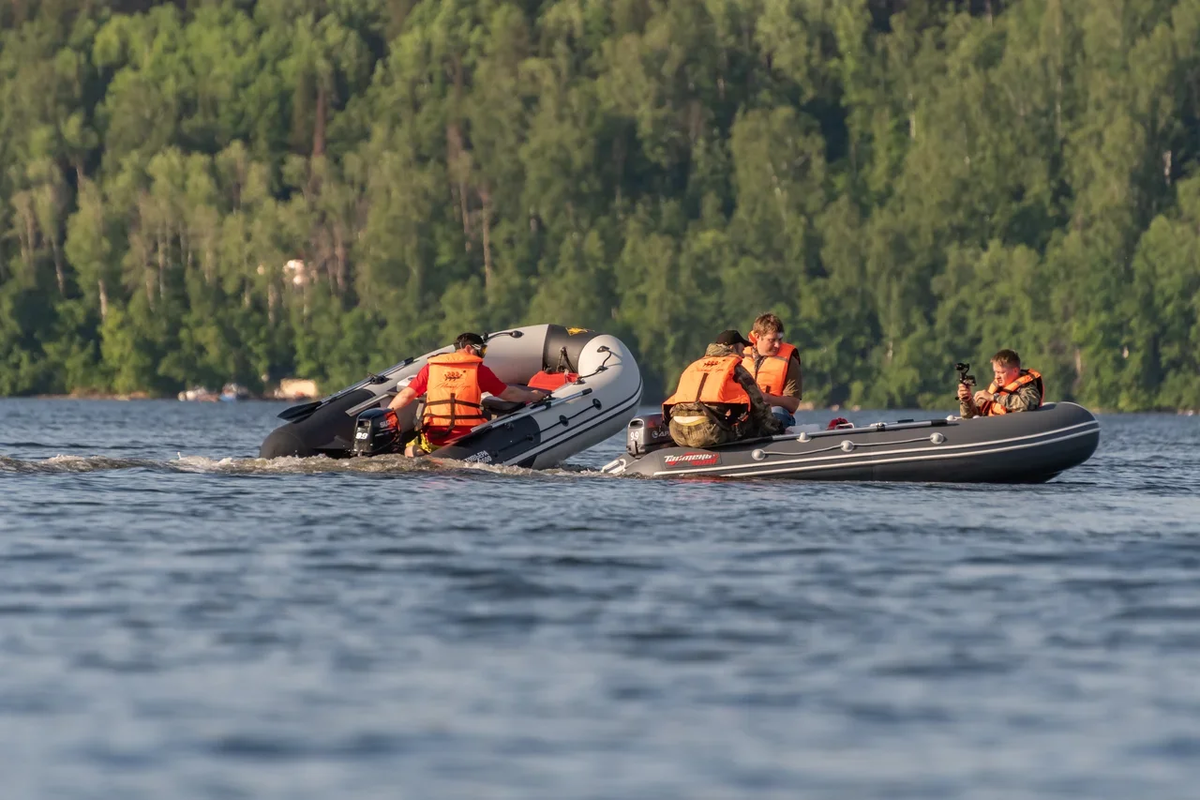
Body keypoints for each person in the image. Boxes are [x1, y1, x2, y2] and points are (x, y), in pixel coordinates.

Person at [386, 332, 548, 455]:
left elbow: (406, 396)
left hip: (434, 438)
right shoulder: (479, 371)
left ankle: (418, 453)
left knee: (409, 448)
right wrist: (533, 395)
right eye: (482, 350)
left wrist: (386, 415)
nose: (482, 355)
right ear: (469, 349)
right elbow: (509, 394)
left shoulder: (431, 368)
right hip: (466, 439)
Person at [662, 330, 785, 448]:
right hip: (707, 433)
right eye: (742, 350)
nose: (742, 355)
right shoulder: (734, 368)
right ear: (732, 348)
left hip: (677, 432)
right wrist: (777, 428)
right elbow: (758, 405)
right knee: (753, 423)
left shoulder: (694, 366)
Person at [742, 312, 804, 428]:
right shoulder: (740, 356)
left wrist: (766, 398)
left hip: (775, 414)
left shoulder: (790, 361)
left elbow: (793, 404)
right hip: (745, 414)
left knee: (778, 412)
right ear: (757, 336)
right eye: (772, 340)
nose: (777, 345)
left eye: (780, 339)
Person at [958, 349, 1044, 418]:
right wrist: (966, 400)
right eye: (995, 372)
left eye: (1001, 372)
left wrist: (993, 397)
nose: (996, 376)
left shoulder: (1027, 388)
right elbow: (969, 416)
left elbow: (1029, 403)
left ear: (1015, 371)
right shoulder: (995, 389)